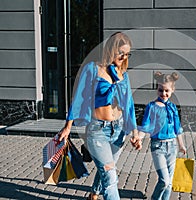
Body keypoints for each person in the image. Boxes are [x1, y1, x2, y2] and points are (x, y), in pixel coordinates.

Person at [58, 32, 141, 200]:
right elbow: (79, 97)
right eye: (121, 53)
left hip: (118, 130)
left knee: (106, 168)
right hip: (97, 131)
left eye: (127, 54)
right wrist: (68, 126)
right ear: (111, 49)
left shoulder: (123, 75)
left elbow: (128, 105)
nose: (124, 57)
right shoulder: (92, 69)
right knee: (110, 176)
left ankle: (94, 194)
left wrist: (134, 133)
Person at [137, 71, 186, 200]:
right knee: (164, 180)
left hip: (172, 146)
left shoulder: (173, 108)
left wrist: (181, 145)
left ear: (172, 90)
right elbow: (146, 126)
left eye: (166, 91)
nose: (163, 94)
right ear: (157, 89)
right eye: (160, 90)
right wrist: (139, 138)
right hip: (158, 146)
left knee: (169, 183)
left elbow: (177, 128)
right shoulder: (151, 106)